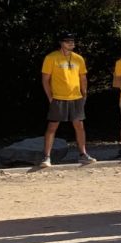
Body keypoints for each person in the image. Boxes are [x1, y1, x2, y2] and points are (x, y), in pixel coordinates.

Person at [41, 33, 94, 166]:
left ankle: (83, 154)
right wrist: (50, 97)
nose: (71, 43)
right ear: (61, 43)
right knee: (52, 127)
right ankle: (47, 157)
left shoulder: (78, 58)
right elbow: (45, 79)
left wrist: (84, 94)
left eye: (72, 41)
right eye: (67, 41)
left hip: (76, 97)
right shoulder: (51, 57)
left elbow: (83, 78)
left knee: (79, 126)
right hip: (58, 98)